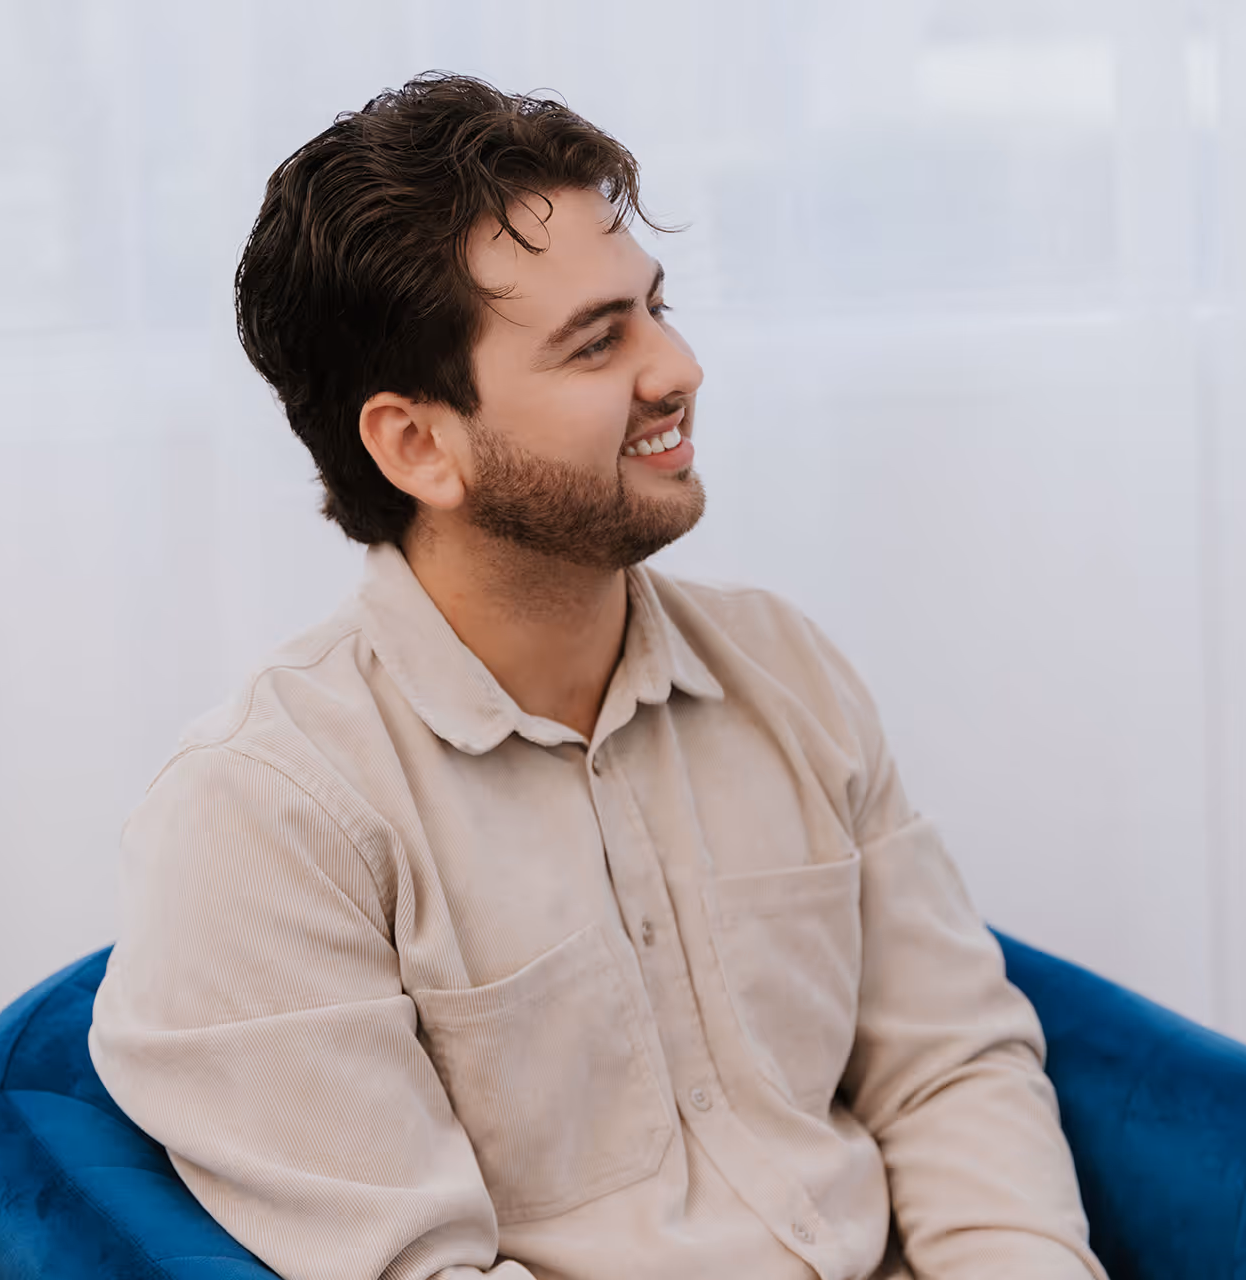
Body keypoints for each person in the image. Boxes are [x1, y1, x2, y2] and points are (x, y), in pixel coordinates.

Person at [89, 71, 1107, 1280]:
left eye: (655, 308)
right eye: (596, 344)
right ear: (417, 443)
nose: (677, 370)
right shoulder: (262, 816)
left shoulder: (787, 671)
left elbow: (950, 1060)